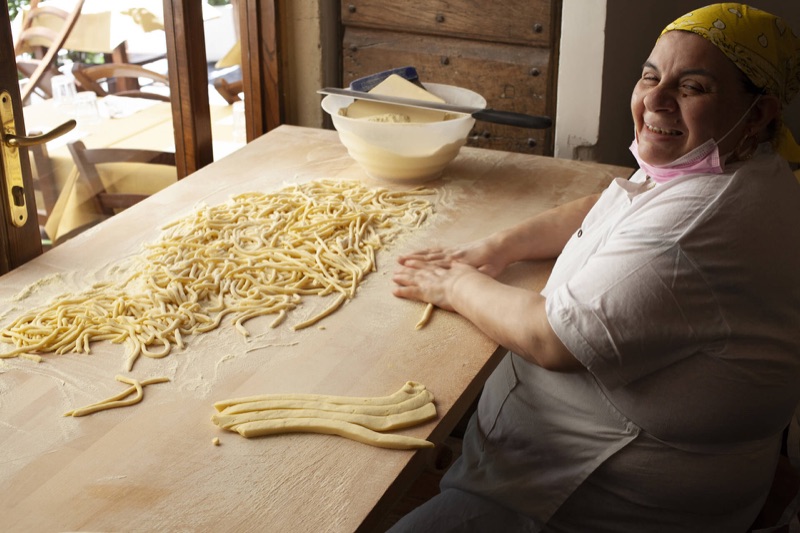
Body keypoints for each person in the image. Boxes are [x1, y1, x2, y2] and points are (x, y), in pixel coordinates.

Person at [389, 3, 800, 532]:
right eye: (651, 76)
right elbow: (613, 202)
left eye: (693, 87)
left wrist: (453, 281)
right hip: (587, 459)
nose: (655, 98)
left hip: (599, 495)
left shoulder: (699, 226)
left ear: (761, 111)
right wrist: (500, 246)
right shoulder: (738, 161)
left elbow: (552, 339)